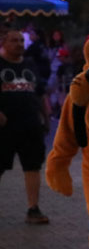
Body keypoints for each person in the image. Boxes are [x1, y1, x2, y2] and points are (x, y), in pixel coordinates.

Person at [0, 27, 50, 223]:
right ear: (4, 43)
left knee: (33, 166)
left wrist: (45, 118)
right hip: (5, 128)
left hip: (30, 124)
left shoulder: (31, 65)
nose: (19, 44)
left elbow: (40, 93)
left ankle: (33, 209)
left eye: (21, 41)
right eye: (14, 41)